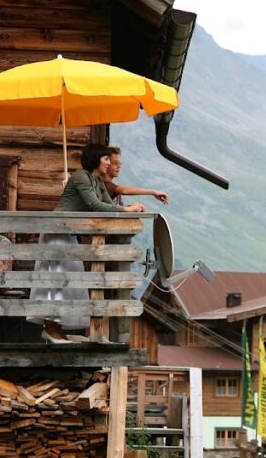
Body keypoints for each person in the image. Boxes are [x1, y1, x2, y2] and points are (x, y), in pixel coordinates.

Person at [30, 144, 145, 343]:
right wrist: (128, 211)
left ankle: (57, 329)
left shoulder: (96, 180)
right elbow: (95, 205)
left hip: (68, 233)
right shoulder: (81, 176)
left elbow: (108, 203)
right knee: (57, 281)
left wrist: (128, 209)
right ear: (96, 158)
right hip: (57, 231)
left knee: (70, 282)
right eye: (106, 159)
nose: (109, 163)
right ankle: (50, 328)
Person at [103, 146, 169, 206]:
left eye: (119, 163)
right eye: (115, 163)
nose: (119, 166)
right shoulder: (104, 185)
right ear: (106, 163)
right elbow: (124, 190)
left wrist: (130, 208)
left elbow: (117, 209)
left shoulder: (113, 188)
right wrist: (153, 192)